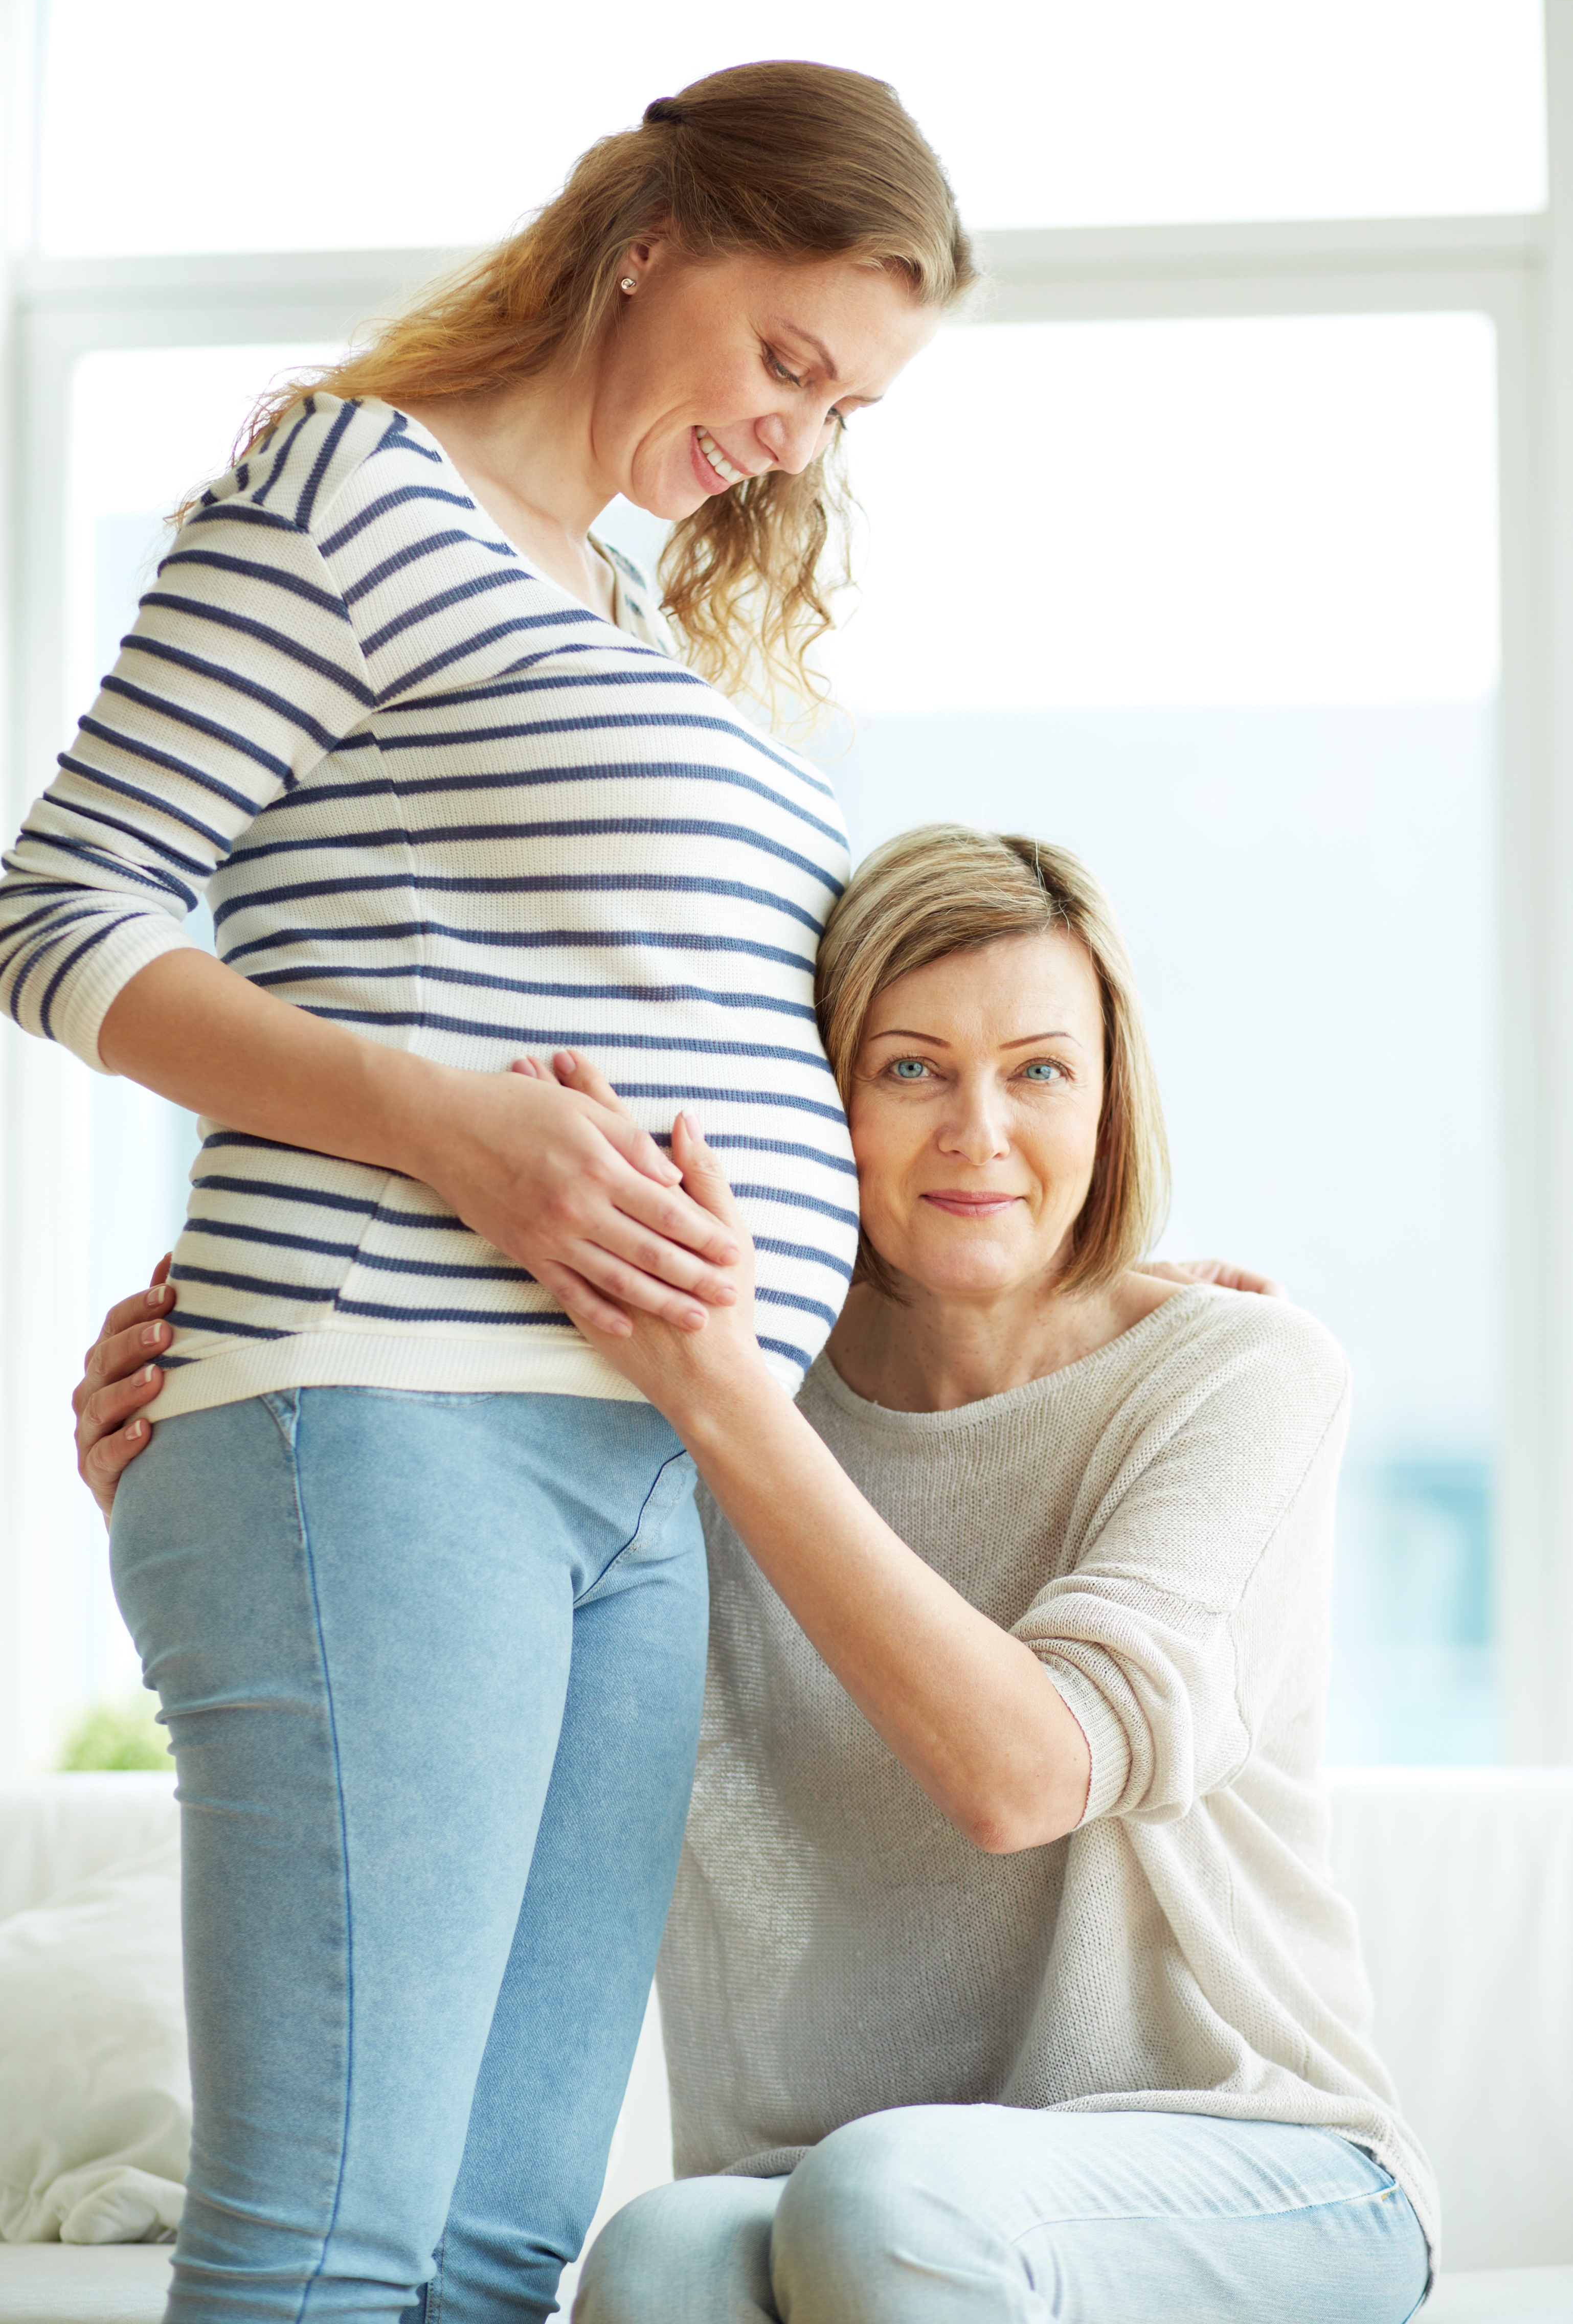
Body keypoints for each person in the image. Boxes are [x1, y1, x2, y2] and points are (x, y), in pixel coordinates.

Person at [0, 62, 969, 2324]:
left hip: (646, 1473)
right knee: (332, 2243)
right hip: (390, 1410)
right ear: (651, 240)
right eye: (785, 361)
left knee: (493, 2248)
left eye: (848, 405)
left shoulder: (619, 607)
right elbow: (60, 911)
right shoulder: (347, 485)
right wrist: (456, 1129)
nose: (796, 438)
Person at [82, 827, 1435, 2323]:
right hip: (832, 2186)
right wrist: (185, 1481)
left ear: (1110, 1102)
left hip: (1253, 2167)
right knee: (661, 2259)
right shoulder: (715, 1408)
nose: (981, 1130)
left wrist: (712, 1389)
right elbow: (472, 1657)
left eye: (1039, 1071)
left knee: (888, 2204)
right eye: (910, 1069)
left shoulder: (1239, 1374)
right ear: (819, 1099)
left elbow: (1023, 1776)